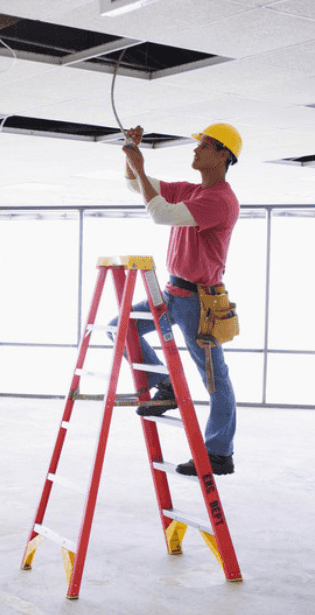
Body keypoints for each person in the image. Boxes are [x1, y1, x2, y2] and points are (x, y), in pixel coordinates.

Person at [120, 123, 242, 476]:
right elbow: (134, 185)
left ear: (223, 155)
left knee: (215, 379)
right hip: (172, 292)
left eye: (203, 145)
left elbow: (159, 214)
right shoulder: (192, 191)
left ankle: (220, 452)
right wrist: (130, 152)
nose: (195, 150)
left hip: (199, 303)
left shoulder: (220, 200)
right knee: (121, 329)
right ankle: (166, 384)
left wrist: (140, 165)